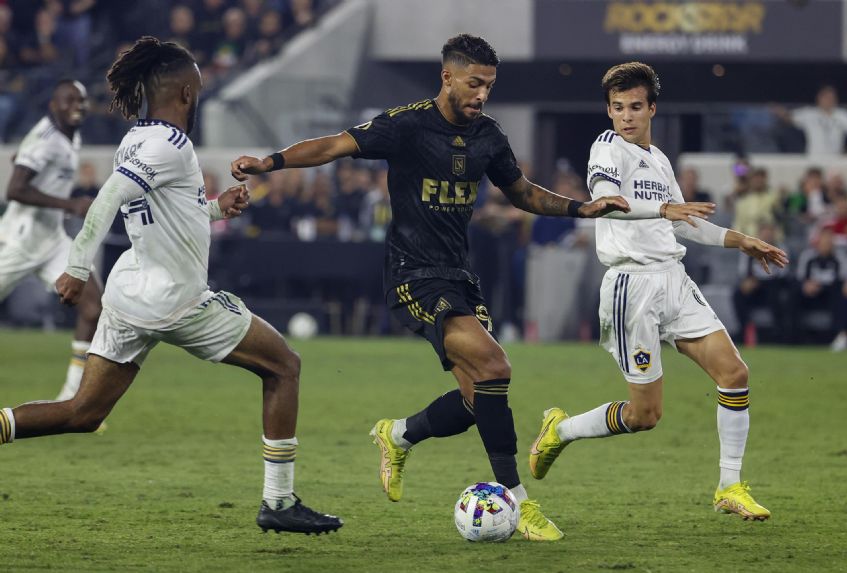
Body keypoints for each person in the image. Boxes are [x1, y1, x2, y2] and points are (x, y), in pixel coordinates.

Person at [230, 34, 713, 541]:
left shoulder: (488, 136)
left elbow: (523, 192)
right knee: (495, 366)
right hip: (412, 274)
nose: (482, 94)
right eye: (475, 83)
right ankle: (518, 502)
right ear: (448, 77)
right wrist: (271, 163)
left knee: (474, 398)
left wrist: (580, 208)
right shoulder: (408, 124)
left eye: (490, 86)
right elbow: (333, 146)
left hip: (460, 275)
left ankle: (396, 435)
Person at [0, 37, 342, 536]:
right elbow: (109, 197)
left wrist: (214, 208)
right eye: (198, 90)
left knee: (84, 413)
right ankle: (279, 501)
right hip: (175, 299)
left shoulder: (136, 139)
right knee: (285, 366)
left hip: (128, 293)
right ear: (185, 93)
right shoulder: (170, 144)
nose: (199, 98)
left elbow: (162, 213)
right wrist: (75, 264)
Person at [529, 62, 789, 522]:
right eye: (616, 108)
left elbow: (685, 221)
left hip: (673, 279)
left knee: (734, 374)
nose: (625, 116)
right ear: (608, 112)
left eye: (634, 107)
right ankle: (560, 430)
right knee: (644, 415)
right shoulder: (606, 148)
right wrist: (665, 207)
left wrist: (739, 239)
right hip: (632, 288)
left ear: (652, 108)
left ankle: (730, 487)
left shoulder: (660, 160)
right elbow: (610, 201)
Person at [0, 79, 102, 402]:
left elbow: (30, 166)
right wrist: (69, 204)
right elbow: (14, 190)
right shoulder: (47, 139)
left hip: (52, 241)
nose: (76, 106)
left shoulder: (69, 137)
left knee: (93, 305)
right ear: (53, 105)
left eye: (81, 101)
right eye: (68, 100)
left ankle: (70, 398)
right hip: (19, 241)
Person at [772, 85, 847, 156]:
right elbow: (789, 118)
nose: (829, 100)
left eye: (831, 97)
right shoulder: (809, 113)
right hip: (813, 158)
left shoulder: (842, 115)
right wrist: (779, 111)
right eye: (826, 97)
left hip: (835, 159)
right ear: (819, 98)